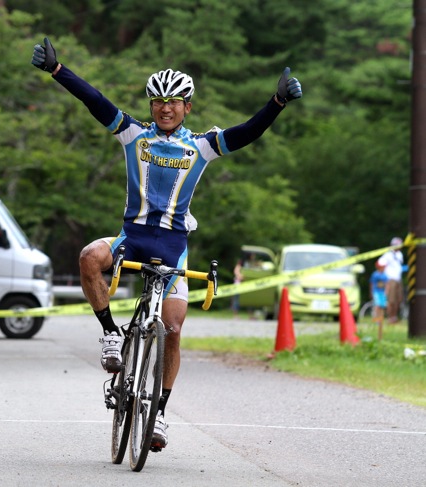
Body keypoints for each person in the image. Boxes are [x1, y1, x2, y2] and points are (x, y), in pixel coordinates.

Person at [31, 37, 302, 450]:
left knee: (172, 329)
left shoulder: (202, 146)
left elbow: (246, 133)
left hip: (174, 247)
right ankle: (109, 335)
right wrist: (57, 70)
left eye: (175, 101)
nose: (166, 107)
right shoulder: (132, 134)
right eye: (158, 100)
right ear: (151, 105)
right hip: (131, 238)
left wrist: (276, 104)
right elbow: (96, 100)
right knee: (89, 256)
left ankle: (157, 415)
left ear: (187, 107)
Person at [376, 237, 406, 324]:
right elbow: (379, 263)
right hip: (390, 279)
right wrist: (383, 275)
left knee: (398, 300)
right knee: (391, 300)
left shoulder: (400, 254)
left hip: (398, 279)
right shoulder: (388, 255)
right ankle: (390, 318)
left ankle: (394, 317)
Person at [369, 262, 388, 340]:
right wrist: (371, 292)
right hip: (376, 292)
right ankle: (376, 319)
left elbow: (387, 284)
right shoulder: (375, 274)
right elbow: (371, 283)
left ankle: (381, 319)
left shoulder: (385, 275)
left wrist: (387, 292)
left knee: (382, 306)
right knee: (377, 306)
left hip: (382, 293)